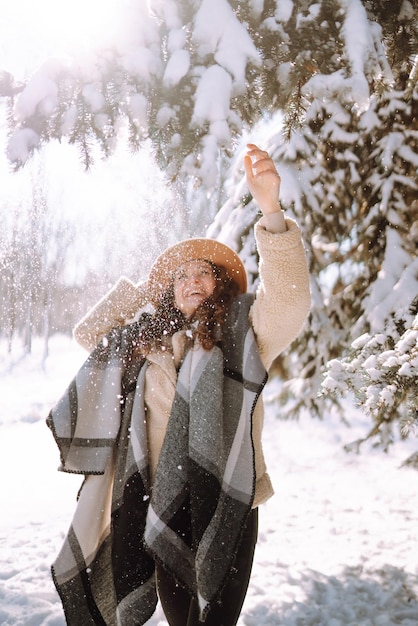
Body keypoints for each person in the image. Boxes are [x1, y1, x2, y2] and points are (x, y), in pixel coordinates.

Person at [47, 144, 311, 626]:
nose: (192, 281)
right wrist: (141, 294)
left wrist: (270, 209)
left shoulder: (243, 334)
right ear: (169, 291)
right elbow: (88, 335)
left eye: (203, 273)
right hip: (160, 505)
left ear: (220, 284)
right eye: (181, 276)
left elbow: (290, 305)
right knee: (178, 617)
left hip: (228, 498)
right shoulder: (144, 346)